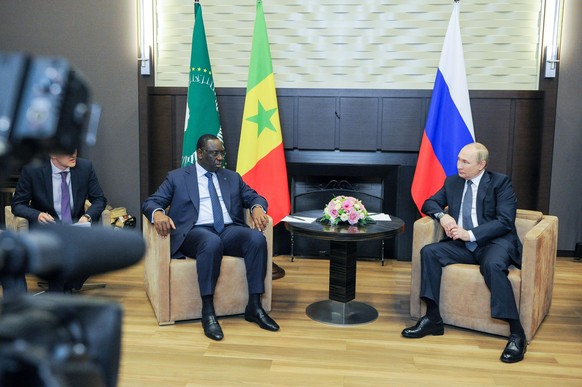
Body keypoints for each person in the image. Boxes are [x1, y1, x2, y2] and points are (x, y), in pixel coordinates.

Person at [142, 134, 279, 341]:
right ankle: (207, 311)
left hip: (227, 229)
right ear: (200, 153)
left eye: (222, 153)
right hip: (195, 232)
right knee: (210, 242)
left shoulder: (232, 177)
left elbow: (253, 196)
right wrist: (158, 213)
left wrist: (257, 208)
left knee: (256, 239)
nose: (220, 158)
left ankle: (254, 306)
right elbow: (152, 202)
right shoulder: (178, 177)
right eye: (215, 153)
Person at [402, 142, 527, 363]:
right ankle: (433, 319)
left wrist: (470, 234)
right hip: (462, 246)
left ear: (481, 165)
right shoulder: (453, 182)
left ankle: (517, 334)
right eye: (458, 159)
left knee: (492, 265)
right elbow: (430, 202)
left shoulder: (500, 183)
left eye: (465, 162)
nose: (459, 165)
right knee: (429, 252)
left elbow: (505, 221)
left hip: (493, 243)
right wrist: (444, 217)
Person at [11, 150, 107, 293]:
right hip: (49, 228)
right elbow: (17, 204)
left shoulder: (85, 167)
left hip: (76, 226)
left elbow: (99, 199)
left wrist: (87, 217)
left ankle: (61, 289)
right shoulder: (33, 170)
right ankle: (63, 290)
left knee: (98, 248)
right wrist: (38, 215)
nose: (73, 154)